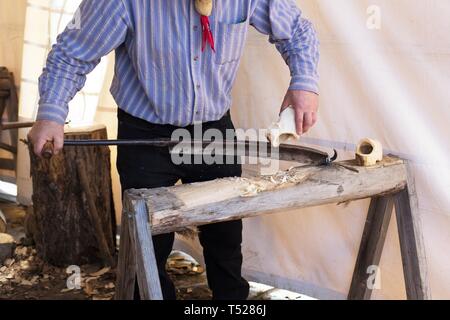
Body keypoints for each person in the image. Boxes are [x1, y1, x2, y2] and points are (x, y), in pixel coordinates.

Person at [28, 0, 320, 300]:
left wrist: (305, 84)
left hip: (212, 129)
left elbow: (297, 30)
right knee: (148, 248)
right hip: (145, 130)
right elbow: (72, 54)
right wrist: (51, 113)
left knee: (225, 239)